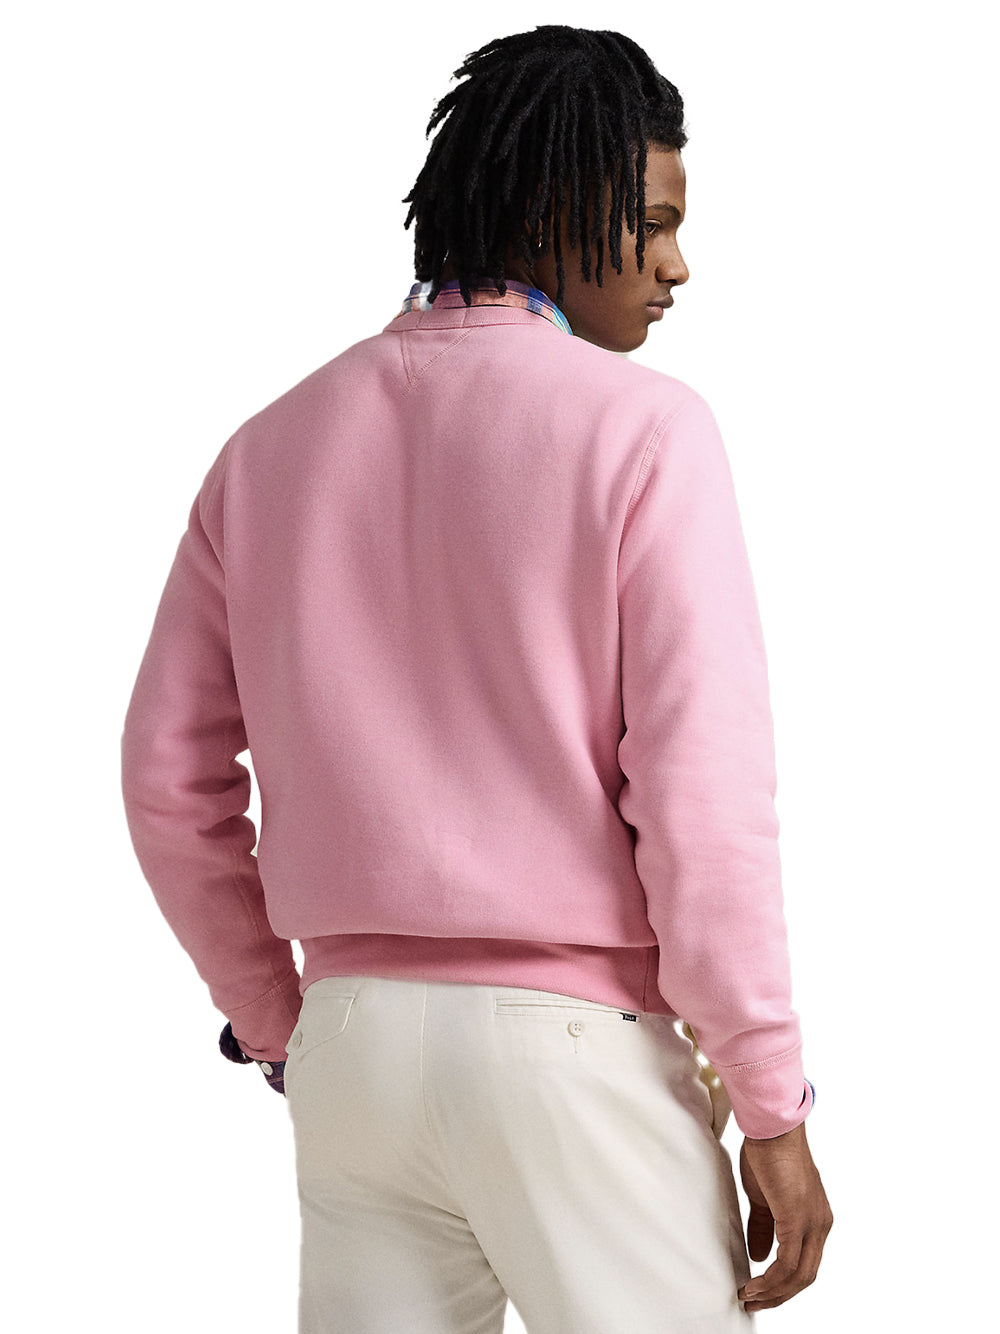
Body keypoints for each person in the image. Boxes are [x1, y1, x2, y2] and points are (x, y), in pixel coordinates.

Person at [120, 23, 832, 1332]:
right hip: (575, 1057)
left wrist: (281, 1020)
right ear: (558, 207)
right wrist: (771, 1100)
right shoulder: (648, 433)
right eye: (653, 223)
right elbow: (704, 801)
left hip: (353, 1057)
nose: (678, 264)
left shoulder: (268, 449)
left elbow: (167, 782)